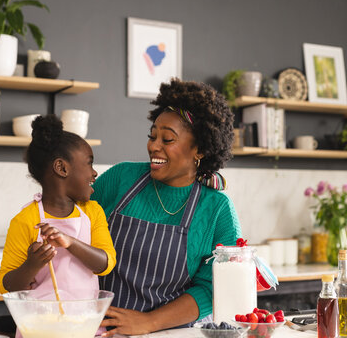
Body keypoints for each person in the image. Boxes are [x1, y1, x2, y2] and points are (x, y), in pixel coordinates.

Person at [91, 78, 242, 336]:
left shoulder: (217, 209)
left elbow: (212, 287)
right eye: (152, 136)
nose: (153, 146)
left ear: (200, 150)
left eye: (167, 139)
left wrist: (148, 322)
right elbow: (72, 225)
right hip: (100, 329)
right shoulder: (121, 178)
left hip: (170, 333)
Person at [0, 114, 117, 313]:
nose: (95, 173)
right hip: (39, 327)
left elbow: (106, 263)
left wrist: (70, 242)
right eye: (89, 163)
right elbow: (7, 287)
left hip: (85, 325)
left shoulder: (93, 212)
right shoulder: (26, 220)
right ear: (62, 168)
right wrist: (32, 265)